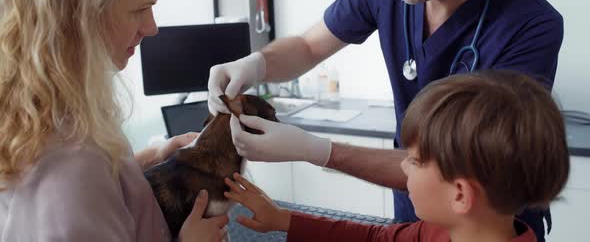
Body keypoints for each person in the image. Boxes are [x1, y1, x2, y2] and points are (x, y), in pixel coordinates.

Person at [207, 0, 563, 240]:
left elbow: (469, 172)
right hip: (418, 214)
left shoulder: (529, 26)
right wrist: (257, 63)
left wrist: (316, 150)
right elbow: (309, 46)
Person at [0, 0, 227, 241]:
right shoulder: (72, 168)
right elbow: (77, 184)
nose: (152, 28)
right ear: (76, 11)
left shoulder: (44, 110)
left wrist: (150, 159)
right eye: (139, 10)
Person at [224, 70, 570, 242]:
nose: (402, 164)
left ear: (461, 195)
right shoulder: (440, 231)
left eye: (415, 160)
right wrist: (283, 219)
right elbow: (375, 238)